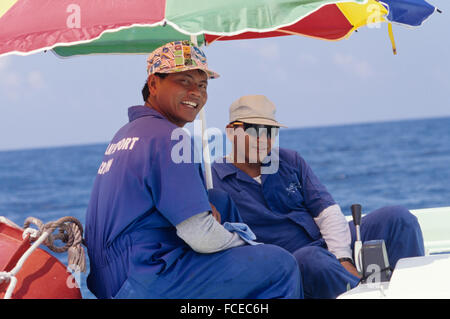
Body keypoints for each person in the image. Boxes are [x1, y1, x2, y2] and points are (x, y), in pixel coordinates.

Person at [84, 42, 301, 299]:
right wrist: (250, 244)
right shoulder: (169, 137)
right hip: (146, 280)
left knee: (219, 199)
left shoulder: (126, 134)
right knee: (279, 264)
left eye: (202, 85)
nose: (195, 93)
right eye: (184, 82)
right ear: (153, 84)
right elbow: (201, 237)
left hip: (111, 281)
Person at [211, 94, 425, 299]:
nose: (263, 139)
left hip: (327, 248)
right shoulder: (213, 179)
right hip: (292, 265)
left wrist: (342, 257)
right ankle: (366, 291)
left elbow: (327, 211)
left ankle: (411, 292)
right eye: (253, 130)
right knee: (310, 259)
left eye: (270, 131)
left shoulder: (290, 160)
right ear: (231, 133)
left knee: (398, 217)